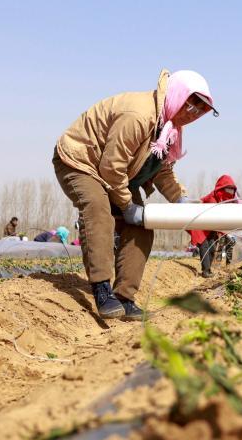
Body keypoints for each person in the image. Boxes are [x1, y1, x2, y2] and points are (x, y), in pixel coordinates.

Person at [53, 69, 215, 319]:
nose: (192, 113)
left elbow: (161, 170)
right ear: (177, 95)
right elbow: (111, 165)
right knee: (97, 209)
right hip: (81, 161)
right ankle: (102, 290)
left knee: (143, 225)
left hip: (114, 173)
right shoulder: (139, 115)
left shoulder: (169, 127)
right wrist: (128, 207)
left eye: (200, 110)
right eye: (190, 103)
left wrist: (180, 200)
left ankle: (124, 297)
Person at [189, 175, 240, 277]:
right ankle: (205, 271)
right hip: (200, 226)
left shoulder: (227, 202)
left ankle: (209, 269)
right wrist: (224, 231)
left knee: (212, 248)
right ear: (221, 188)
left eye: (231, 190)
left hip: (211, 227)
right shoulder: (212, 198)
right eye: (228, 189)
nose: (229, 192)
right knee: (205, 246)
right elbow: (216, 217)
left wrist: (226, 232)